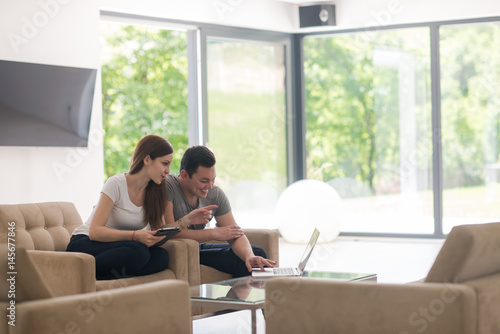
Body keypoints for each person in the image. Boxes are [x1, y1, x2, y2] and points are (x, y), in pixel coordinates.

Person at [66, 135, 213, 280]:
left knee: (161, 257)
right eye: (164, 163)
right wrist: (135, 236)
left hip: (119, 247)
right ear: (147, 159)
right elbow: (95, 232)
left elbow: (160, 230)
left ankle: (107, 275)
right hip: (86, 243)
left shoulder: (156, 190)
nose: (168, 170)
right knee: (139, 252)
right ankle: (79, 272)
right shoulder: (115, 184)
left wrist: (187, 220)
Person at [164, 145, 277, 278]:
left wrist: (249, 256)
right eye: (204, 181)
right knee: (240, 261)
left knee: (257, 254)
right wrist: (214, 233)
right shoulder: (168, 186)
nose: (210, 186)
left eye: (213, 179)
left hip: (197, 248)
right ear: (184, 175)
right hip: (175, 251)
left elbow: (235, 233)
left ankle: (234, 299)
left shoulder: (215, 194)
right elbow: (169, 233)